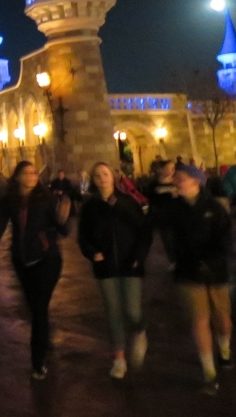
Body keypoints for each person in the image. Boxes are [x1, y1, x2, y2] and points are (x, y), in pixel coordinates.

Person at [0, 161, 71, 379]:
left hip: (47, 258)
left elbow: (63, 230)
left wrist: (63, 217)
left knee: (39, 309)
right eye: (27, 173)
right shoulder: (9, 200)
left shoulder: (46, 198)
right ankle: (45, 334)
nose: (32, 176)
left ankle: (38, 361)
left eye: (34, 172)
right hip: (21, 260)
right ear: (18, 177)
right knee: (34, 308)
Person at [77, 162, 152, 379]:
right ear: (93, 180)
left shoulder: (128, 202)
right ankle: (119, 358)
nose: (102, 178)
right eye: (97, 175)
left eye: (105, 174)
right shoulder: (90, 207)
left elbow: (144, 232)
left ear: (113, 177)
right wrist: (92, 253)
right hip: (105, 267)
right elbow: (83, 236)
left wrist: (139, 257)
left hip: (131, 265)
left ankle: (139, 330)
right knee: (113, 312)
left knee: (132, 311)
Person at [170, 163, 233, 393]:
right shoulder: (174, 208)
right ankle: (209, 371)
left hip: (215, 271)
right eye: (175, 179)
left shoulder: (214, 208)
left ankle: (225, 351)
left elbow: (225, 240)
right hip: (188, 272)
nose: (176, 182)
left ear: (196, 181)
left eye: (181, 178)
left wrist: (212, 261)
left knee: (222, 319)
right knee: (200, 320)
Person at [145, 159, 178, 267]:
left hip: (175, 216)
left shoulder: (176, 182)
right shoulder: (153, 184)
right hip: (162, 217)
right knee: (167, 240)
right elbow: (151, 197)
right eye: (169, 168)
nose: (172, 171)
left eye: (173, 168)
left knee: (177, 239)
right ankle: (173, 261)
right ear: (161, 170)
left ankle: (178, 261)